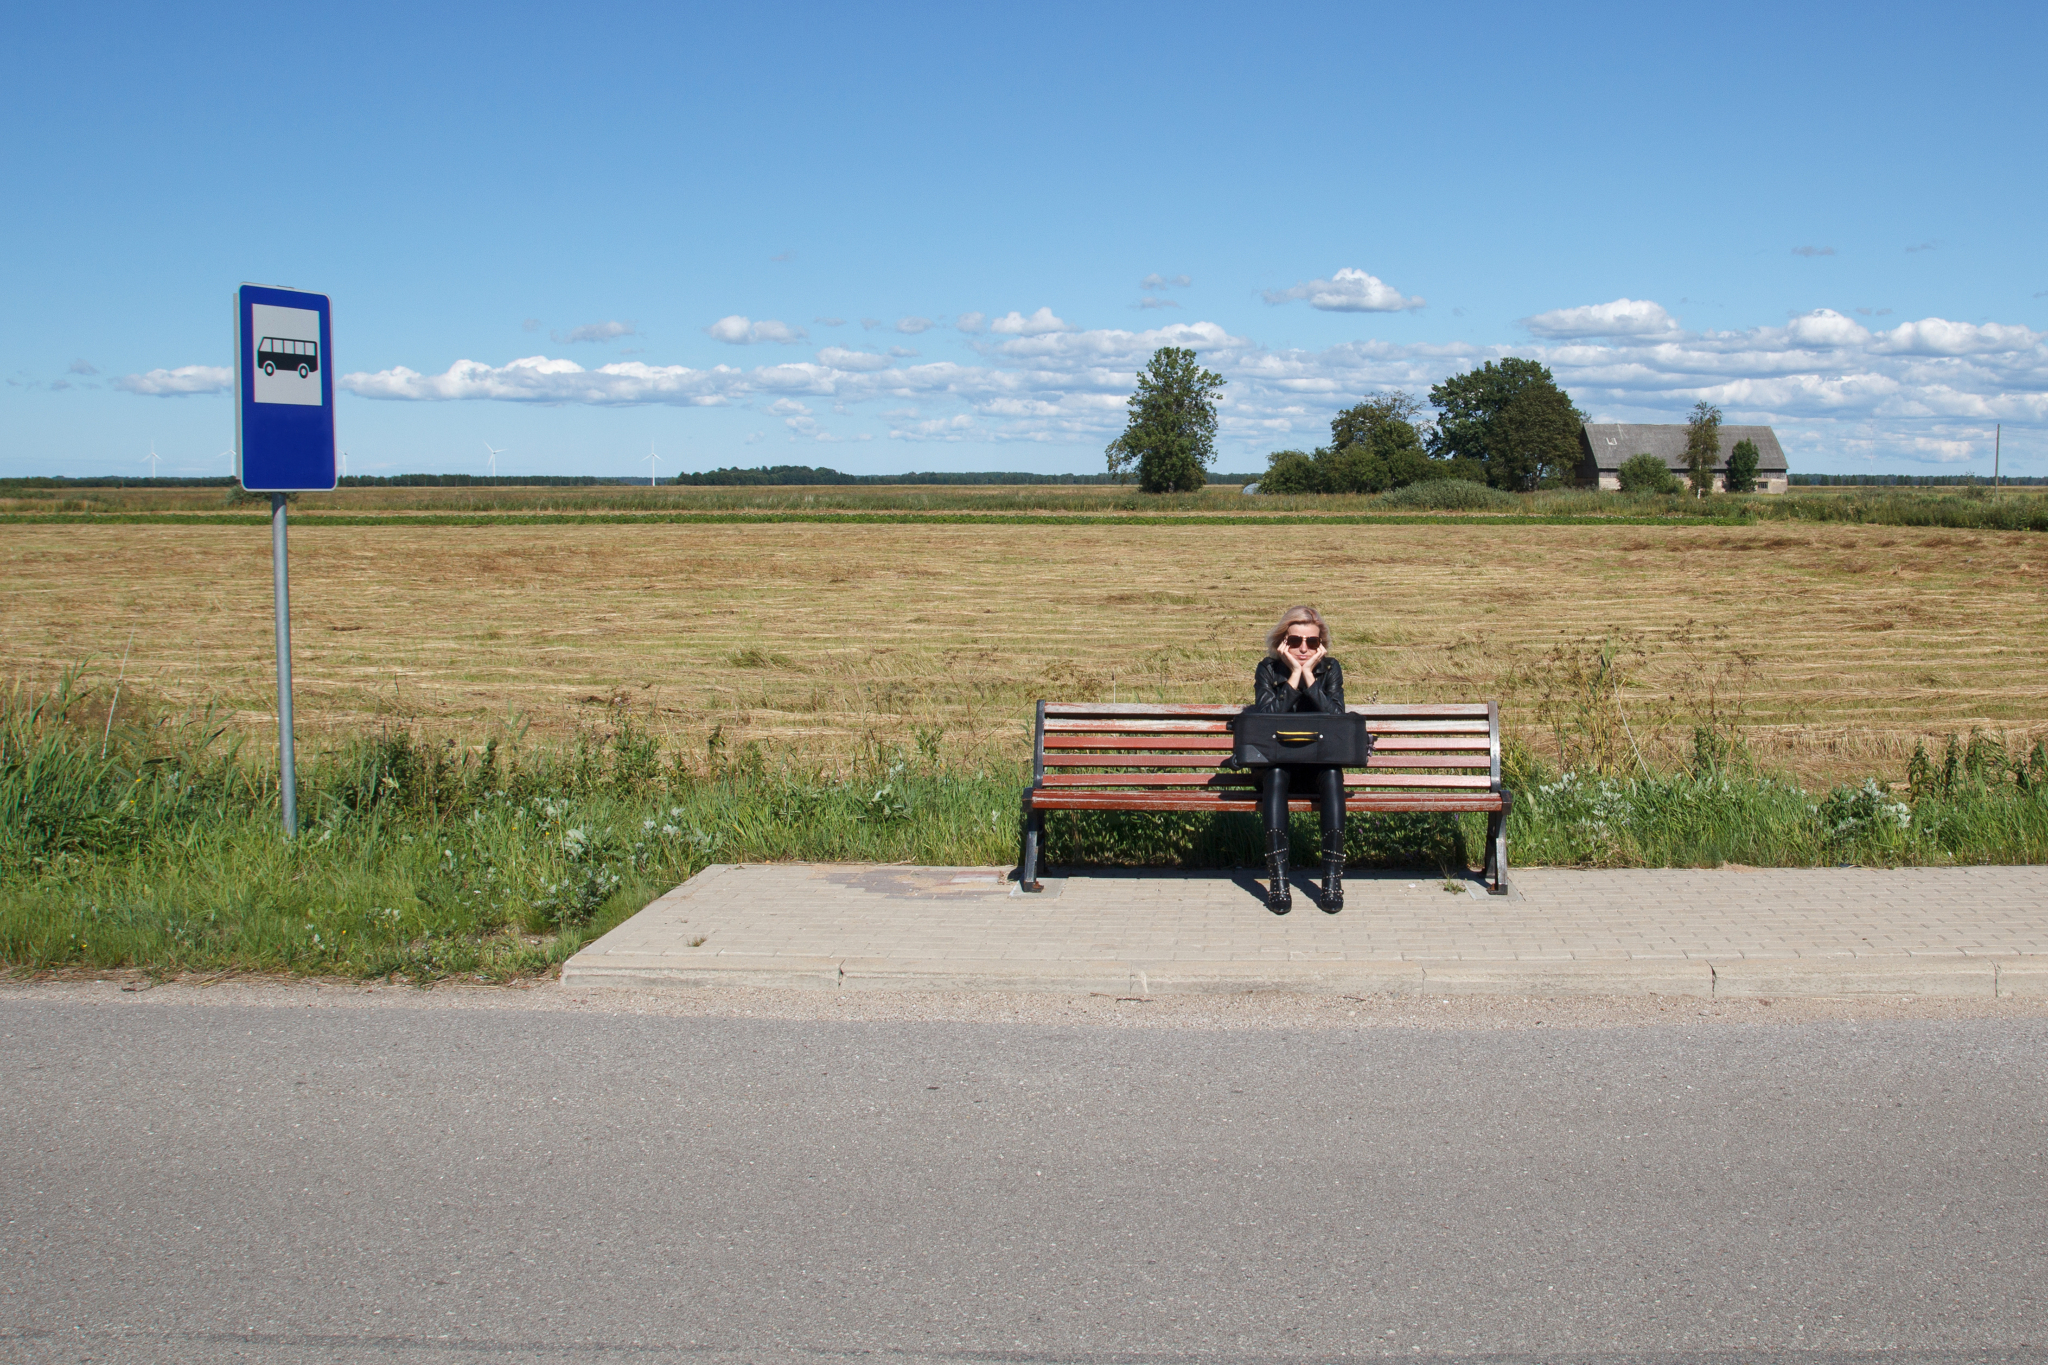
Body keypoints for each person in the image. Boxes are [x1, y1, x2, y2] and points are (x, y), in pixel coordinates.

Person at [1249, 605, 1347, 913]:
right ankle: (1278, 881)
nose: (1303, 648)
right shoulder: (1268, 669)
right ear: (1283, 641)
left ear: (1321, 645)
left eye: (1312, 642)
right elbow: (1266, 718)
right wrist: (1294, 675)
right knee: (1276, 774)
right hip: (1277, 766)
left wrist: (1311, 678)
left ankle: (1332, 880)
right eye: (1295, 641)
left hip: (1315, 766)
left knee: (1332, 773)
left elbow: (1336, 719)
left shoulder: (1330, 670)